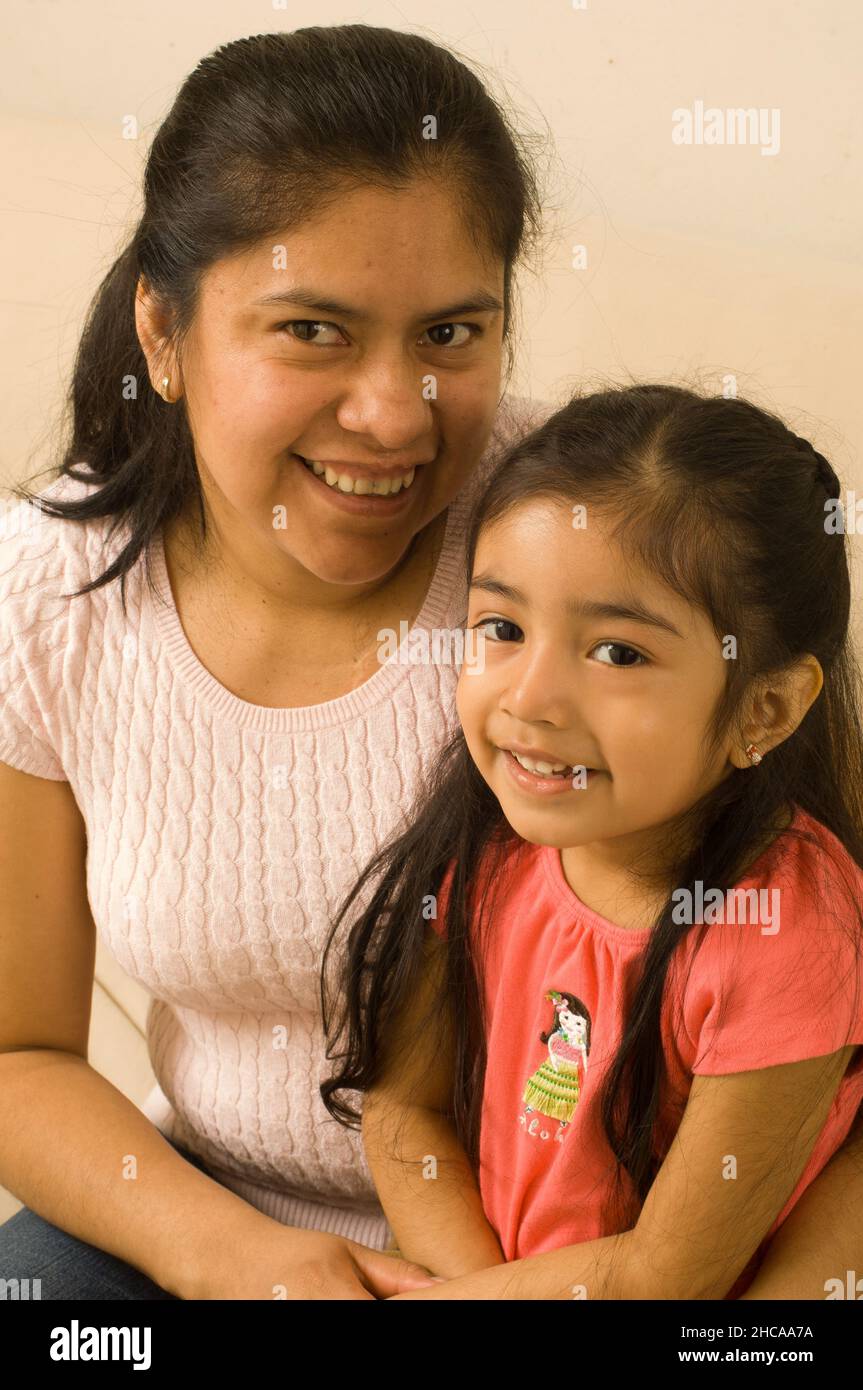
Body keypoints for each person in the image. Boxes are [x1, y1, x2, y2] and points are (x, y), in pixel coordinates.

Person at [0, 25, 860, 1301]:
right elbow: (20, 1054)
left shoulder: (586, 534)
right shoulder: (47, 596)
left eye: (452, 333)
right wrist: (230, 1257)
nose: (397, 414)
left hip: (593, 1258)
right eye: (311, 331)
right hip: (221, 1220)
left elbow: (820, 1029)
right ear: (164, 334)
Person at [321, 384, 863, 1300]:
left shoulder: (784, 934)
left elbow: (664, 1279)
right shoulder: (493, 845)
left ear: (762, 708)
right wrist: (470, 1290)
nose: (530, 698)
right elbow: (402, 1116)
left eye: (617, 653)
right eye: (501, 627)